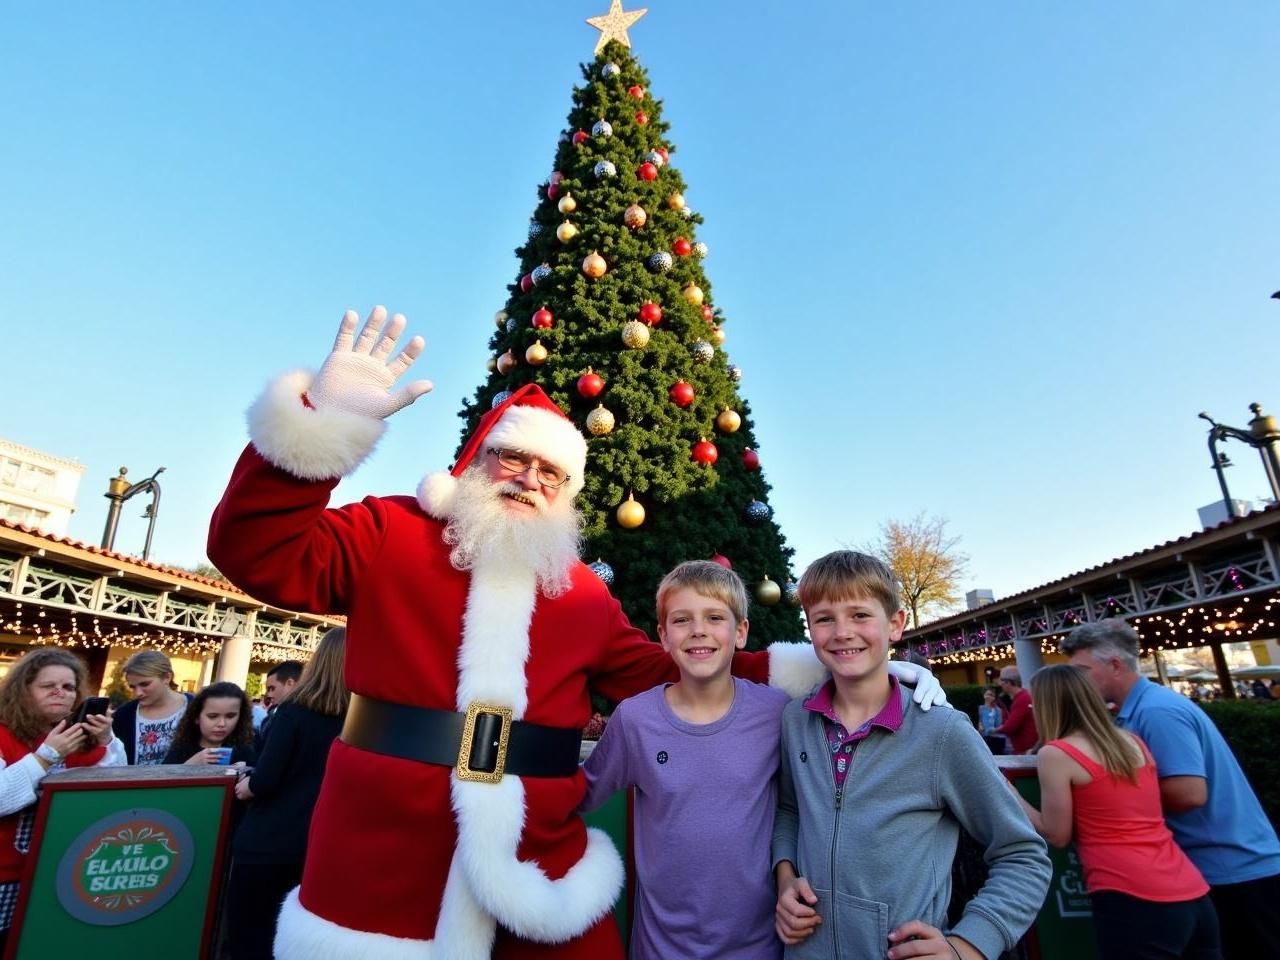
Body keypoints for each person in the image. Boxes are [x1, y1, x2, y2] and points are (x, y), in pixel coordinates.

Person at [206, 307, 944, 958]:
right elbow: (255, 553)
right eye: (512, 458)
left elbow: (684, 671)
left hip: (538, 853)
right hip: (382, 839)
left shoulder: (581, 592)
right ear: (473, 461)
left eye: (551, 473)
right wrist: (319, 429)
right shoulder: (390, 530)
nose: (529, 479)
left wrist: (842, 672)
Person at [583, 560, 884, 959]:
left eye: (714, 617)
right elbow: (580, 795)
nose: (698, 631)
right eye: (681, 620)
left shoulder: (778, 712)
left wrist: (897, 671)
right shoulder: (635, 720)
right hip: (661, 948)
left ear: (740, 632)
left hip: (761, 945)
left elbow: (799, 802)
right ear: (663, 636)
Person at [772, 551, 1049, 960]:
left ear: (896, 625)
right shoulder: (795, 720)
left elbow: (1023, 854)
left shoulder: (942, 732)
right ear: (810, 629)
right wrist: (785, 875)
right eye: (825, 618)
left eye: (860, 615)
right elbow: (791, 810)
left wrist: (968, 946)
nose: (842, 632)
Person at [1063, 620, 1280, 959]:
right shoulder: (1137, 711)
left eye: (1082, 671)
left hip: (1232, 873)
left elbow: (1190, 793)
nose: (1075, 682)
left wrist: (1103, 800)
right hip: (1212, 872)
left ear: (1116, 665)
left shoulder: (1157, 711)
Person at [1015, 665, 1221, 960]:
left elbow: (1056, 834)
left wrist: (1010, 795)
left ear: (1049, 705)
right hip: (1192, 891)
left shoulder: (1057, 754)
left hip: (1131, 895)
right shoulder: (1132, 742)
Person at [228, 628, 349, 960]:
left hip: (269, 841)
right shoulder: (359, 720)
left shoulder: (294, 713)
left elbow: (266, 779)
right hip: (318, 844)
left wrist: (246, 785)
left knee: (250, 936)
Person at [0, 649, 125, 950]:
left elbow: (116, 788)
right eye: (48, 686)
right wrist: (46, 757)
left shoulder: (80, 738)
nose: (60, 692)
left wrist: (107, 739)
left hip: (58, 874)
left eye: (69, 687)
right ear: (23, 690)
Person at [110, 649, 192, 764]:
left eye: (145, 684)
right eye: (133, 687)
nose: (138, 693)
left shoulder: (195, 707)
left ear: (167, 677)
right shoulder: (124, 715)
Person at [162, 681, 256, 766]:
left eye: (230, 716)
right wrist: (188, 766)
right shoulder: (180, 749)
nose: (222, 724)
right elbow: (161, 781)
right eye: (213, 716)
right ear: (196, 716)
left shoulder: (246, 750)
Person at [993, 665, 1038, 754]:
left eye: (1001, 680)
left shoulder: (1021, 699)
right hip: (1029, 749)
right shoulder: (1023, 696)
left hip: (1027, 751)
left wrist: (991, 730)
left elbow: (1010, 727)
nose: (1000, 684)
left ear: (1009, 682)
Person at [976, 686, 1007, 755]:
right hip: (985, 738)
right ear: (984, 695)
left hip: (996, 738)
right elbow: (980, 721)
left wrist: (994, 729)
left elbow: (999, 724)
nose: (989, 697)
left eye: (992, 695)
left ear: (994, 698)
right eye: (987, 694)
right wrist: (980, 726)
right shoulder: (981, 708)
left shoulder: (998, 710)